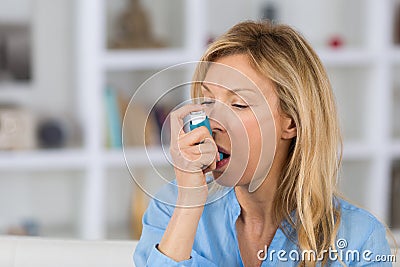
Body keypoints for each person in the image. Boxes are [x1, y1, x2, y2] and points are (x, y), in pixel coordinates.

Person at [133, 21, 394, 266]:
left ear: (290, 123)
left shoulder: (360, 238)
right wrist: (189, 201)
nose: (212, 122)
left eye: (238, 105)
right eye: (208, 102)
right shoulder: (172, 208)